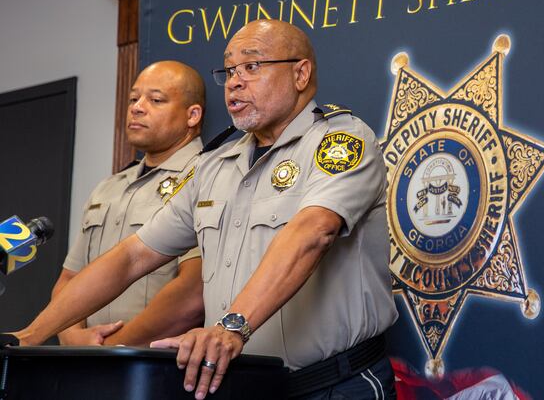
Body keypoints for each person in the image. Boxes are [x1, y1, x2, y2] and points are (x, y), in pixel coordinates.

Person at [14, 20, 398, 399]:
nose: (234, 81)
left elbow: (313, 232)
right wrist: (29, 337)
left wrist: (231, 327)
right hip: (242, 385)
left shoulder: (341, 141)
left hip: (333, 386)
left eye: (251, 66)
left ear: (300, 73)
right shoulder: (214, 165)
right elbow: (134, 255)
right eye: (229, 70)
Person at [53, 60, 206, 346]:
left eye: (156, 100)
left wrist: (112, 348)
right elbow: (70, 279)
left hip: (158, 367)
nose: (137, 107)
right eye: (134, 98)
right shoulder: (108, 188)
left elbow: (191, 293)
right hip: (86, 363)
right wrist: (73, 337)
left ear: (192, 115)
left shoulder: (207, 178)